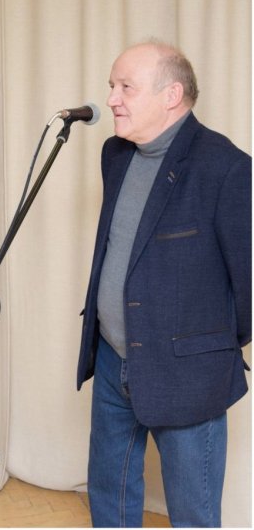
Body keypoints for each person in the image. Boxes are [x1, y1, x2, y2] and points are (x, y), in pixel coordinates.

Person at [76, 41, 251, 527]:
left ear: (171, 95)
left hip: (187, 374)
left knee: (193, 514)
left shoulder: (227, 168)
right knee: (109, 498)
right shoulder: (115, 154)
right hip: (112, 357)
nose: (111, 99)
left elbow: (249, 286)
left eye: (125, 87)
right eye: (112, 86)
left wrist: (203, 349)